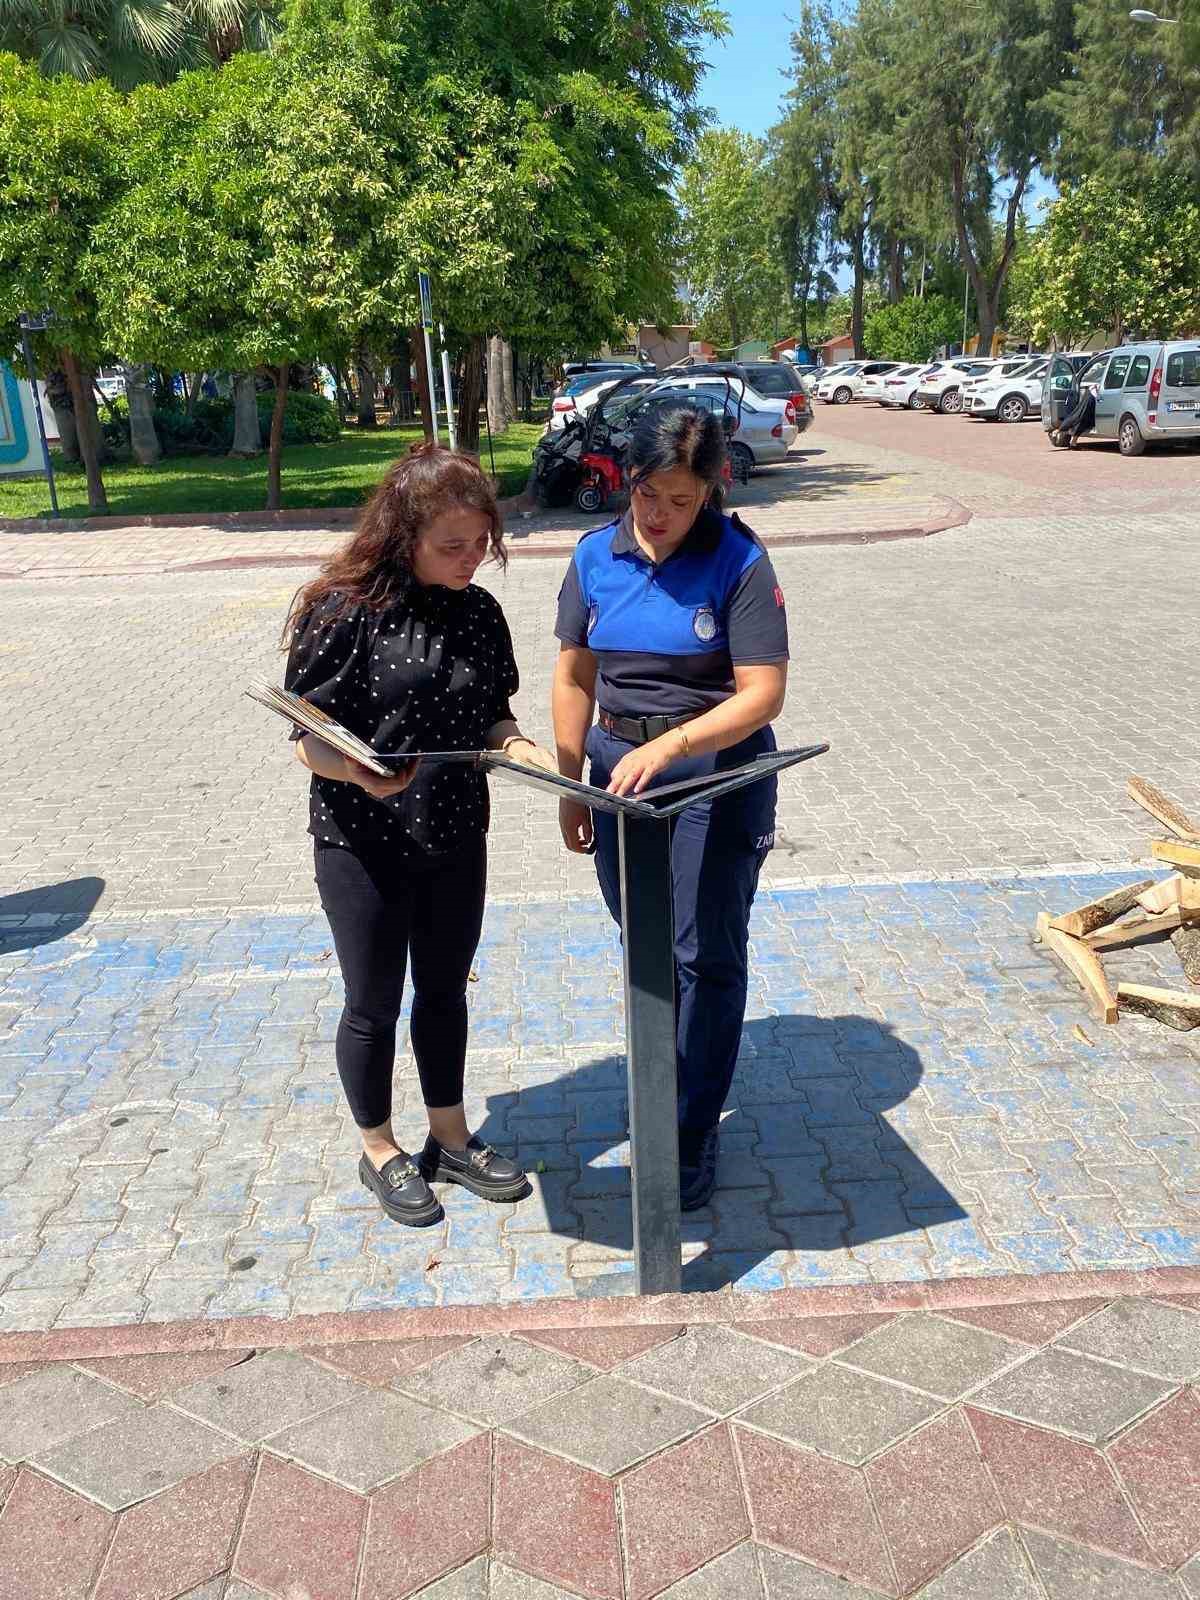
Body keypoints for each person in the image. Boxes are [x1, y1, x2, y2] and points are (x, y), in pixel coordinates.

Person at [282, 444, 557, 1226]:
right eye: (452, 545)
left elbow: (493, 714)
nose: (472, 559)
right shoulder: (340, 609)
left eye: (481, 543)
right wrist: (356, 770)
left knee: (443, 991)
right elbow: (304, 739)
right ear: (404, 537)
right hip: (361, 837)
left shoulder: (479, 612)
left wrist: (517, 745)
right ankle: (379, 1148)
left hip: (455, 830)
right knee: (372, 1002)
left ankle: (450, 1137)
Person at [552, 405, 789, 1211]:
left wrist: (674, 745)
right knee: (646, 943)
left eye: (681, 500)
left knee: (703, 955)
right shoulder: (594, 555)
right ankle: (661, 1082)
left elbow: (762, 694)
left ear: (710, 491)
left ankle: (690, 1125)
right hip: (619, 778)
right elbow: (573, 676)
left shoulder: (739, 559)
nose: (658, 515)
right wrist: (570, 783)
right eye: (647, 493)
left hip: (715, 779)